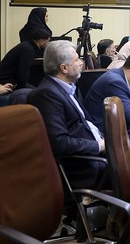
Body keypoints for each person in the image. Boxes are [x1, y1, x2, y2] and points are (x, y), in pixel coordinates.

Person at [27, 40, 111, 191]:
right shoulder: (47, 95)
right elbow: (59, 143)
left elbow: (85, 123)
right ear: (64, 68)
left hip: (95, 152)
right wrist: (99, 146)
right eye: (77, 59)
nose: (81, 63)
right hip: (83, 165)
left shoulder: (69, 88)